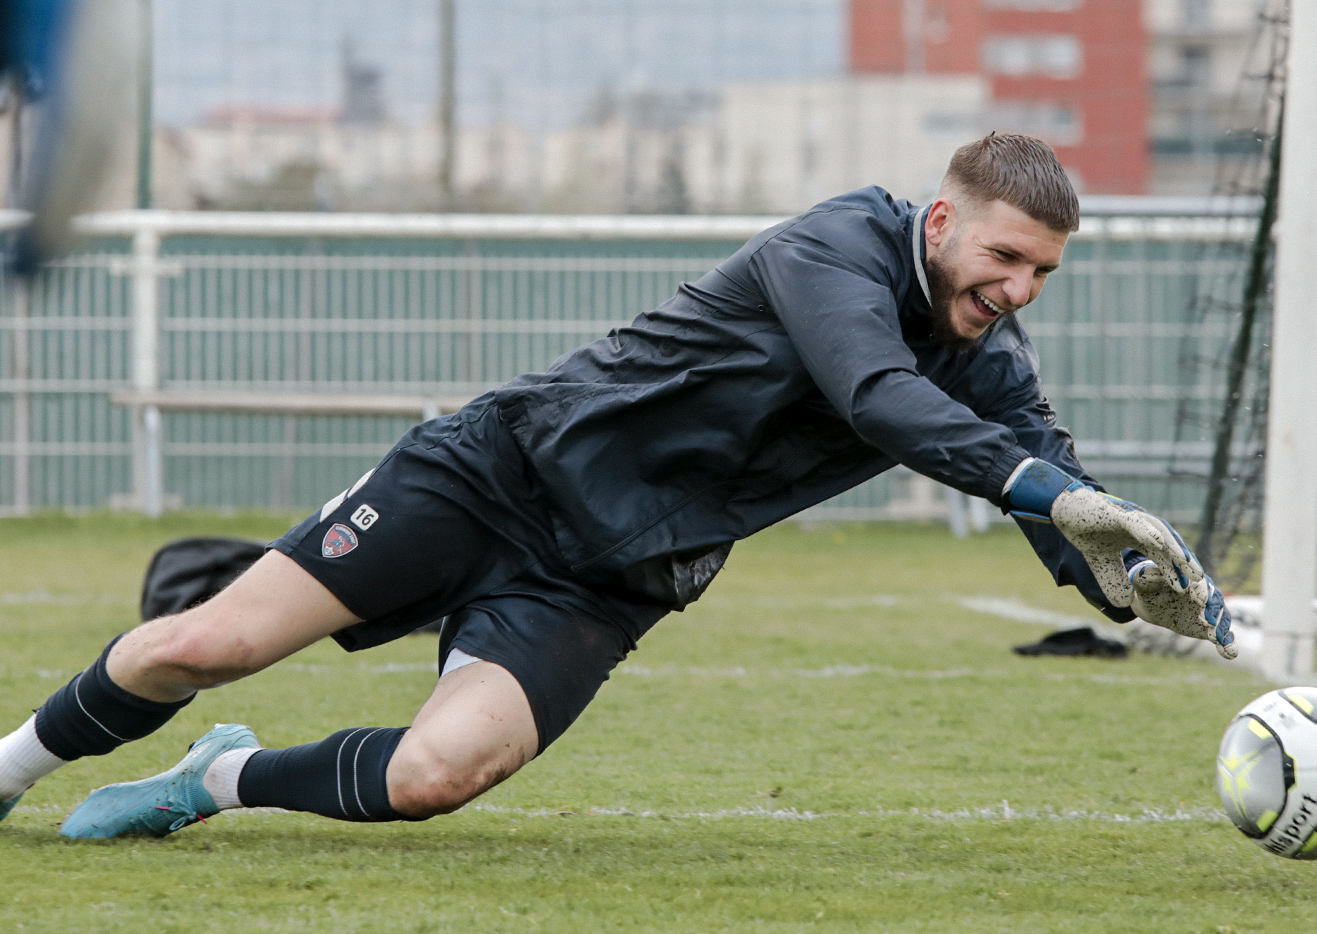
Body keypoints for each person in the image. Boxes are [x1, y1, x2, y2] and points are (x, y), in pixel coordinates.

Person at [0, 132, 1234, 839]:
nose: (1017, 291)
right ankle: (10, 770)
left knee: (434, 779)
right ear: (940, 221)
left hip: (614, 575)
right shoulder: (836, 242)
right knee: (202, 643)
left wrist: (1127, 575)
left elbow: (1056, 488)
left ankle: (214, 778)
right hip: (494, 475)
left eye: (1041, 275)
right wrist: (1046, 492)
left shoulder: (992, 357)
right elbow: (876, 397)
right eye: (1006, 257)